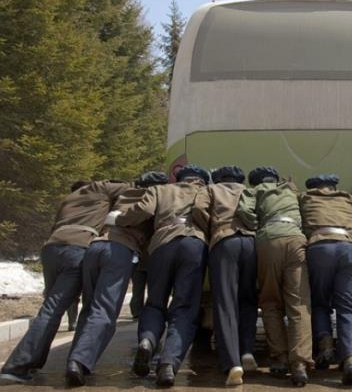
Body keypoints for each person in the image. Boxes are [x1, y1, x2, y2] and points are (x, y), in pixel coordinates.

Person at [0, 180, 129, 384]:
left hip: (51, 248)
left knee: (50, 307)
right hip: (77, 248)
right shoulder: (99, 188)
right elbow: (130, 188)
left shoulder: (68, 200)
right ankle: (19, 365)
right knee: (64, 308)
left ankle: (30, 364)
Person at [111, 164, 211, 387]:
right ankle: (168, 364)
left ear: (178, 178)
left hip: (162, 243)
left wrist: (118, 220)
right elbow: (206, 214)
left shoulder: (161, 190)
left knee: (155, 302)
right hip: (193, 243)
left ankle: (147, 341)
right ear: (202, 180)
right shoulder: (205, 192)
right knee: (184, 306)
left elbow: (143, 211)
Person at [65, 171, 168, 386]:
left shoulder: (123, 194)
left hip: (95, 247)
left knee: (90, 307)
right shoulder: (154, 197)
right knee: (105, 310)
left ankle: (76, 358)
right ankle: (79, 361)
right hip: (119, 250)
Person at [237, 166, 312, 387]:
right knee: (298, 303)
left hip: (269, 240)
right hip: (296, 239)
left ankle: (279, 358)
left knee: (270, 302)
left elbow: (244, 211)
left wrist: (257, 225)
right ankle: (299, 364)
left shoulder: (254, 191)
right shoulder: (290, 190)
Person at [192, 166, 258, 386]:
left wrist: (211, 229)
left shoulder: (211, 190)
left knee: (225, 303)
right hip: (251, 242)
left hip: (224, 241)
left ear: (218, 178)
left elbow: (198, 210)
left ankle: (232, 362)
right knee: (248, 299)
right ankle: (247, 351)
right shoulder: (248, 191)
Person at [298, 174, 352, 385]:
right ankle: (351, 358)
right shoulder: (346, 198)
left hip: (319, 248)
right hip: (347, 248)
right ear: (334, 187)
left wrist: (289, 186)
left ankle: (325, 345)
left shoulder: (305, 198)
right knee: (349, 307)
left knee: (319, 302)